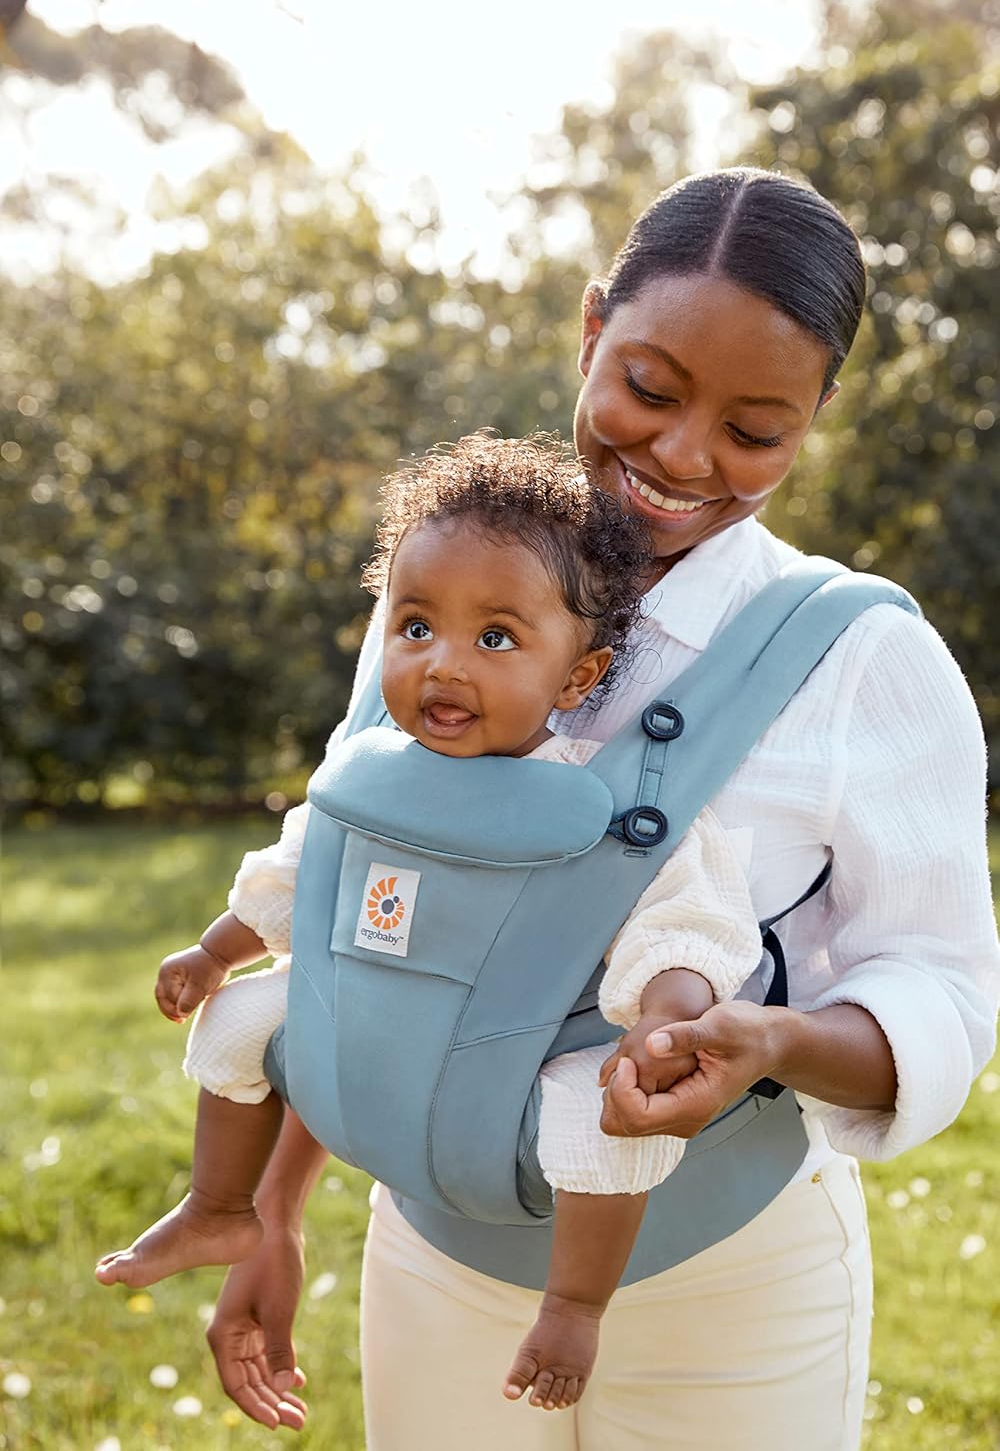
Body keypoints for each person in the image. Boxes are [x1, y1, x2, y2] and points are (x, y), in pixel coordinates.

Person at [205, 168, 999, 1451]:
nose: (683, 459)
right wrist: (274, 1207)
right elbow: (369, 914)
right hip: (437, 1260)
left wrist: (771, 1042)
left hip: (728, 1291)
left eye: (756, 429)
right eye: (647, 387)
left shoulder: (860, 658)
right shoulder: (445, 595)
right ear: (589, 334)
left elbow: (946, 988)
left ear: (816, 417)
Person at [94, 438, 767, 1410]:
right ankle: (219, 1205)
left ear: (577, 679)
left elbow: (687, 912)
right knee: (238, 1024)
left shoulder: (602, 797)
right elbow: (300, 877)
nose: (444, 665)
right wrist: (215, 951)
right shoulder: (372, 776)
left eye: (496, 639)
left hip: (528, 1043)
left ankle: (574, 1304)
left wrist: (666, 1009)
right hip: (382, 1012)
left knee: (602, 1115)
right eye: (415, 627)